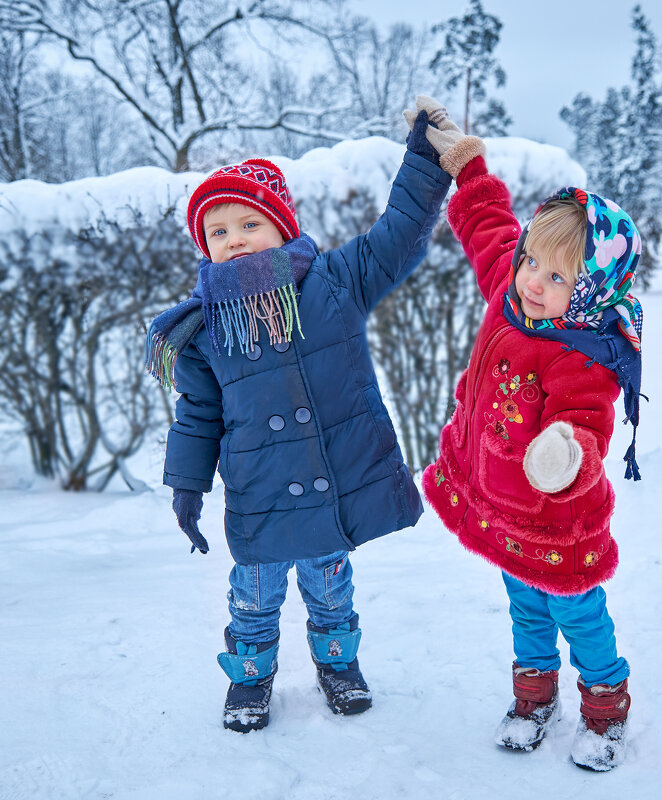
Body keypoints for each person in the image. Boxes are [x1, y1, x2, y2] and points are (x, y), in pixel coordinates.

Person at [145, 111, 450, 733]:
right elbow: (199, 414)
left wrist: (424, 161)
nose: (234, 238)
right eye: (219, 229)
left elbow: (398, 235)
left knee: (331, 587)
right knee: (254, 597)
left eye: (249, 223)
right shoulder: (204, 331)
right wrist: (188, 484)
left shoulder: (333, 283)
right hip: (258, 493)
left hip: (327, 481)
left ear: (281, 228)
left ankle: (338, 664)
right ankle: (250, 677)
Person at [406, 97, 644, 771]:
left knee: (579, 616)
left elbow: (587, 426)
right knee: (522, 605)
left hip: (556, 516)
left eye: (557, 275)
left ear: (592, 287)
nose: (533, 280)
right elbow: (487, 226)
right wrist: (464, 161)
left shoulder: (584, 354)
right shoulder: (510, 292)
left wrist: (564, 451)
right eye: (533, 261)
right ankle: (534, 697)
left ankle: (604, 704)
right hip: (501, 505)